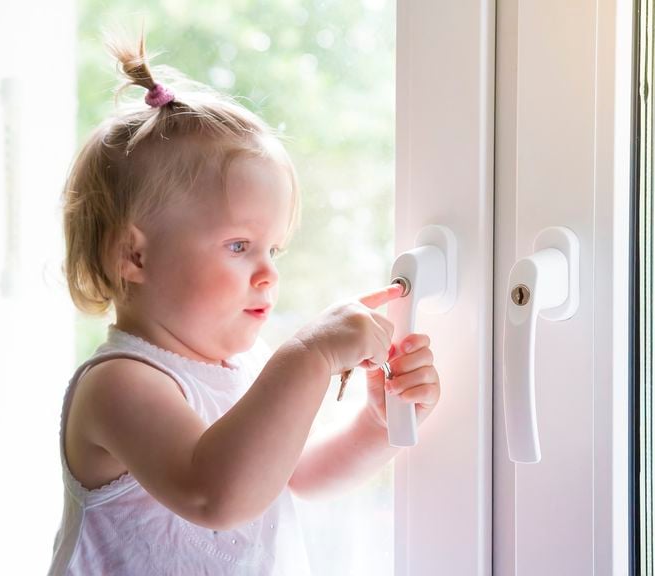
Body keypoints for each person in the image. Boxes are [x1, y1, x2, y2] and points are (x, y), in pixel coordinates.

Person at [47, 31, 441, 576]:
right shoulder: (119, 384)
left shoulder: (241, 370)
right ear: (134, 257)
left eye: (273, 248)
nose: (268, 272)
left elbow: (293, 475)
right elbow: (218, 497)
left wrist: (375, 427)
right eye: (239, 246)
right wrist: (308, 356)